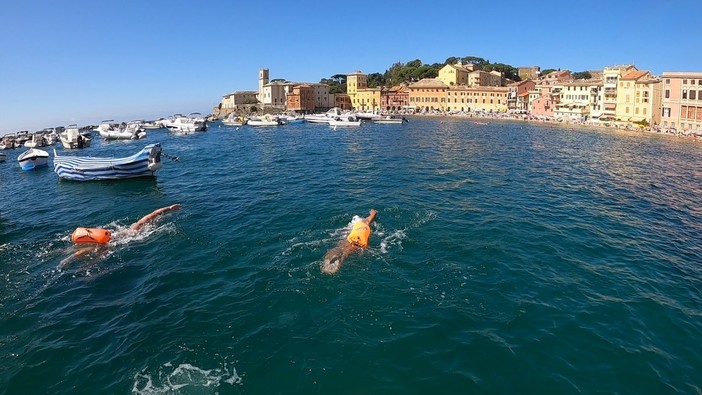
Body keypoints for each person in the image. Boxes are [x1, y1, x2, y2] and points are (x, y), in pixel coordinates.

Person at [59, 204, 181, 268]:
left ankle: (64, 257)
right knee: (96, 252)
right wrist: (169, 208)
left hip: (108, 237)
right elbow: (152, 215)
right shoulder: (135, 232)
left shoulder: (129, 228)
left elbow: (152, 215)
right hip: (110, 242)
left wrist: (169, 208)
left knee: (86, 250)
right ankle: (66, 260)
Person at [322, 209, 377, 275]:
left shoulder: (358, 224)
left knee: (342, 246)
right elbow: (372, 216)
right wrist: (374, 212)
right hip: (360, 242)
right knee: (348, 250)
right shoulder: (366, 223)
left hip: (353, 237)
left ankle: (330, 257)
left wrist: (373, 213)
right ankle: (339, 260)